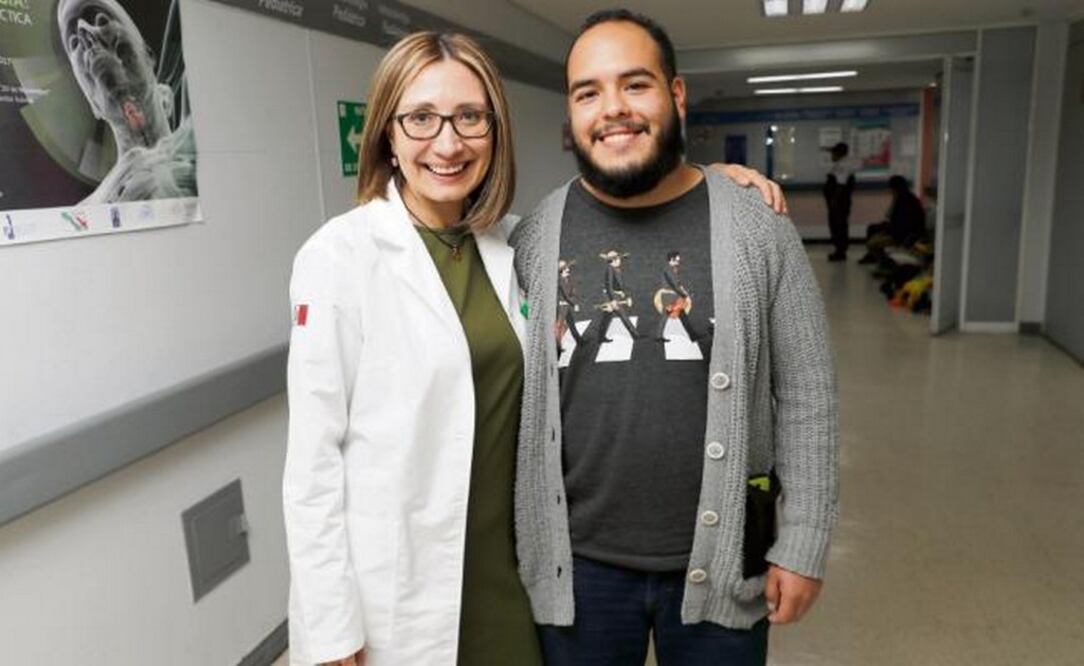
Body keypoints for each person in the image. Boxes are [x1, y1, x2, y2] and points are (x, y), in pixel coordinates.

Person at [283, 29, 785, 666]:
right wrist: (331, 626)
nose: (448, 142)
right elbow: (312, 465)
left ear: (495, 130)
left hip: (513, 572)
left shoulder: (516, 244)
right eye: (420, 118)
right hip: (400, 584)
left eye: (470, 117)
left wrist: (710, 182)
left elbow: (630, 213)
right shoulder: (340, 257)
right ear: (386, 131)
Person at [509, 10, 839, 666]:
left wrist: (802, 542)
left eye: (636, 85)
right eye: (588, 92)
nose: (613, 110)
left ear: (676, 95)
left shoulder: (756, 227)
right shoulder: (534, 237)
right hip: (577, 569)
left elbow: (807, 393)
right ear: (571, 114)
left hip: (723, 559)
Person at [57, 0, 196, 204]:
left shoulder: (198, 153)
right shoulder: (92, 209)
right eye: (74, 43)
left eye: (100, 19)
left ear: (148, 56)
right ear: (91, 103)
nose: (84, 31)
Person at [858, 175, 927, 265]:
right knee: (873, 229)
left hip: (906, 234)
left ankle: (885, 263)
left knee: (872, 243)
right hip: (901, 230)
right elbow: (890, 215)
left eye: (891, 189)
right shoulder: (903, 198)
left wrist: (887, 229)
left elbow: (901, 224)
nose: (890, 191)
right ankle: (877, 258)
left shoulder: (905, 201)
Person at [822, 141, 855, 262]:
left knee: (839, 225)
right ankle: (839, 249)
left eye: (833, 153)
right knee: (837, 225)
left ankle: (840, 251)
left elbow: (841, 185)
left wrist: (834, 201)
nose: (831, 156)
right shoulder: (840, 164)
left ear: (839, 153)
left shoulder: (843, 165)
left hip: (839, 203)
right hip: (837, 202)